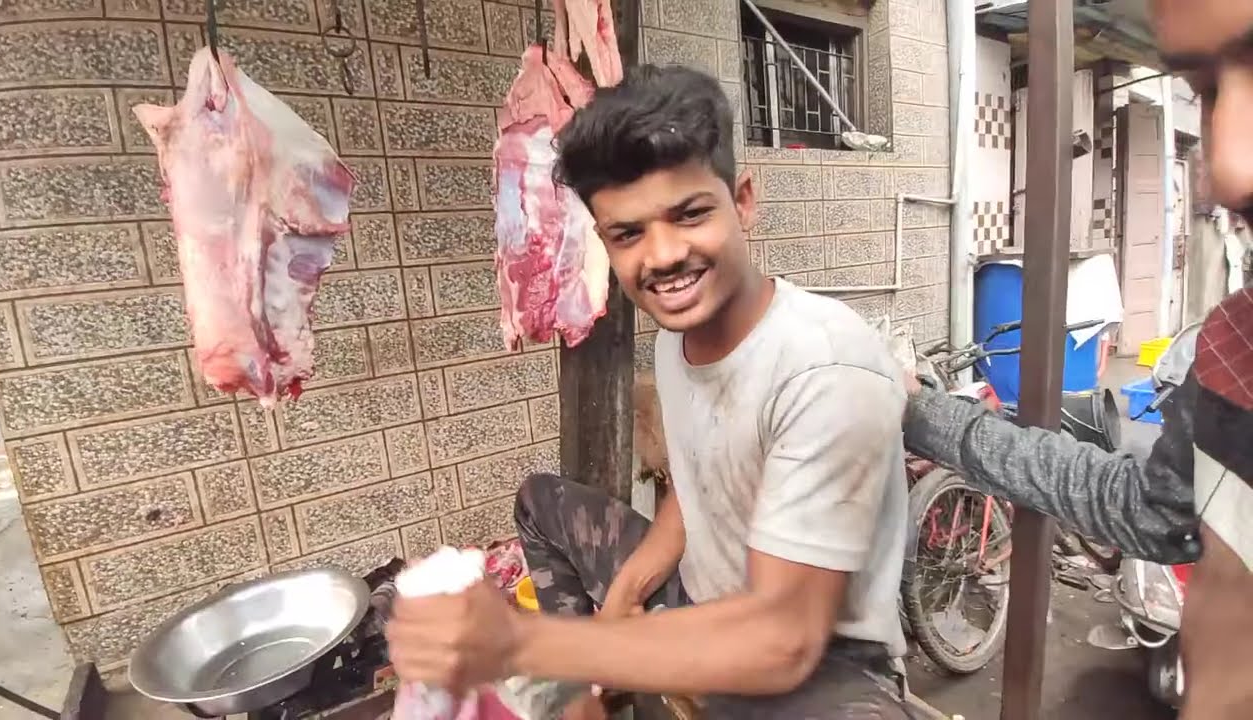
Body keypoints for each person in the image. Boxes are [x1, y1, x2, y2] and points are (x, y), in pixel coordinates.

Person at [387, 64, 916, 719]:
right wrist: (620, 607)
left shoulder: (825, 368)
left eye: (689, 214)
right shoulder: (676, 338)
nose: (662, 256)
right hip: (702, 596)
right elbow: (699, 488)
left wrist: (529, 643)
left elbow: (784, 641)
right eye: (628, 233)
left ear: (743, 200)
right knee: (542, 504)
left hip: (822, 665)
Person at [905, 3, 1252, 719]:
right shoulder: (1232, 349)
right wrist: (928, 417)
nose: (1228, 169)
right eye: (1209, 92)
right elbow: (1149, 507)